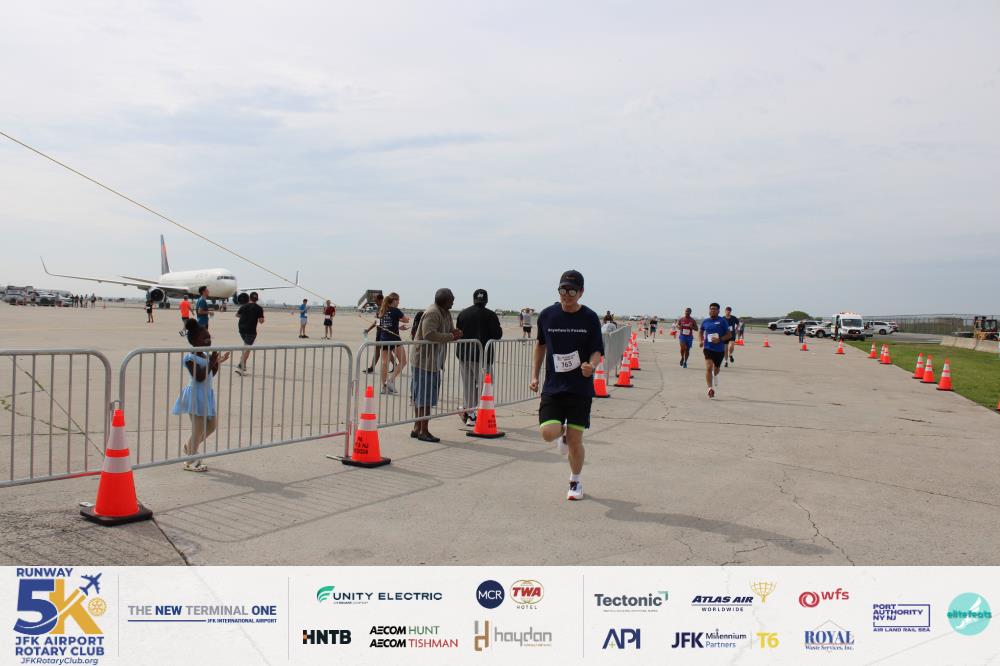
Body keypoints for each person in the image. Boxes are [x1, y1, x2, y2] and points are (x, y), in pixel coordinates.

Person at [530, 270, 603, 501]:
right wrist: (534, 376)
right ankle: (561, 434)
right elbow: (540, 345)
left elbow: (597, 350)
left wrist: (592, 366)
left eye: (572, 291)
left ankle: (575, 481)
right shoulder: (547, 316)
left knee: (575, 440)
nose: (567, 295)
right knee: (547, 433)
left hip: (580, 388)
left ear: (581, 292)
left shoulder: (589, 317)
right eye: (563, 290)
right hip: (554, 386)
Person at [172, 319, 230, 472]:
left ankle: (190, 448)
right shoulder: (190, 358)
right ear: (194, 341)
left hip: (207, 395)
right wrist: (212, 362)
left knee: (211, 426)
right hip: (195, 395)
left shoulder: (205, 355)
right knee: (198, 429)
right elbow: (199, 377)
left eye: (209, 337)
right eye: (204, 338)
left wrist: (216, 363)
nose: (208, 340)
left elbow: (210, 374)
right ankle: (190, 461)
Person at [410, 288, 462, 442]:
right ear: (445, 300)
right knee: (424, 397)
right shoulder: (433, 312)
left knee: (424, 396)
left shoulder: (446, 313)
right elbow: (429, 334)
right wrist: (451, 336)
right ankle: (423, 431)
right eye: (452, 298)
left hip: (434, 362)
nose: (453, 301)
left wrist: (456, 332)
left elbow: (449, 330)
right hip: (424, 362)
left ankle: (417, 428)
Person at [455, 288, 503, 425]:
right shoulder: (491, 315)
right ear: (486, 300)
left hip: (464, 354)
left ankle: (469, 413)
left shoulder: (463, 313)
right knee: (486, 386)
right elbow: (498, 335)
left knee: (468, 385)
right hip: (482, 356)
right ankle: (474, 412)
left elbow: (459, 331)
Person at [376, 292, 409, 394]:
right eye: (398, 300)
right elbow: (406, 320)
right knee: (403, 362)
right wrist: (405, 319)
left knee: (384, 363)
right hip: (394, 339)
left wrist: (398, 327)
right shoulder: (395, 310)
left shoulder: (382, 310)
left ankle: (384, 387)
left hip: (383, 339)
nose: (399, 302)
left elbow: (385, 325)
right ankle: (390, 380)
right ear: (394, 300)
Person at [698, 302, 731, 399]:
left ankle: (715, 376)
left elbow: (729, 335)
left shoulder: (722, 321)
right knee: (709, 367)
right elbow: (701, 331)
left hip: (719, 350)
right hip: (708, 348)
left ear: (718, 311)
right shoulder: (705, 321)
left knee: (716, 369)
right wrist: (701, 340)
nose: (712, 310)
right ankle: (710, 388)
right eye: (711, 309)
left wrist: (719, 339)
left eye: (714, 309)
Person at [235, 292, 264, 375]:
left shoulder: (244, 306)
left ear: (250, 298)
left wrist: (245, 316)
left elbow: (237, 315)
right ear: (257, 299)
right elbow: (261, 321)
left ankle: (243, 366)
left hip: (242, 330)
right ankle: (240, 366)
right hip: (251, 331)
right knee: (247, 350)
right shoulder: (259, 308)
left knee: (246, 347)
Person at [363, 293, 385, 373]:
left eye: (376, 301)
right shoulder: (379, 308)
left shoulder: (384, 308)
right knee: (382, 350)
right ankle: (372, 367)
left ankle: (372, 368)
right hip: (379, 332)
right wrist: (368, 330)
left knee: (387, 350)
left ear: (381, 300)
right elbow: (377, 322)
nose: (375, 303)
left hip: (384, 333)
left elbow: (379, 321)